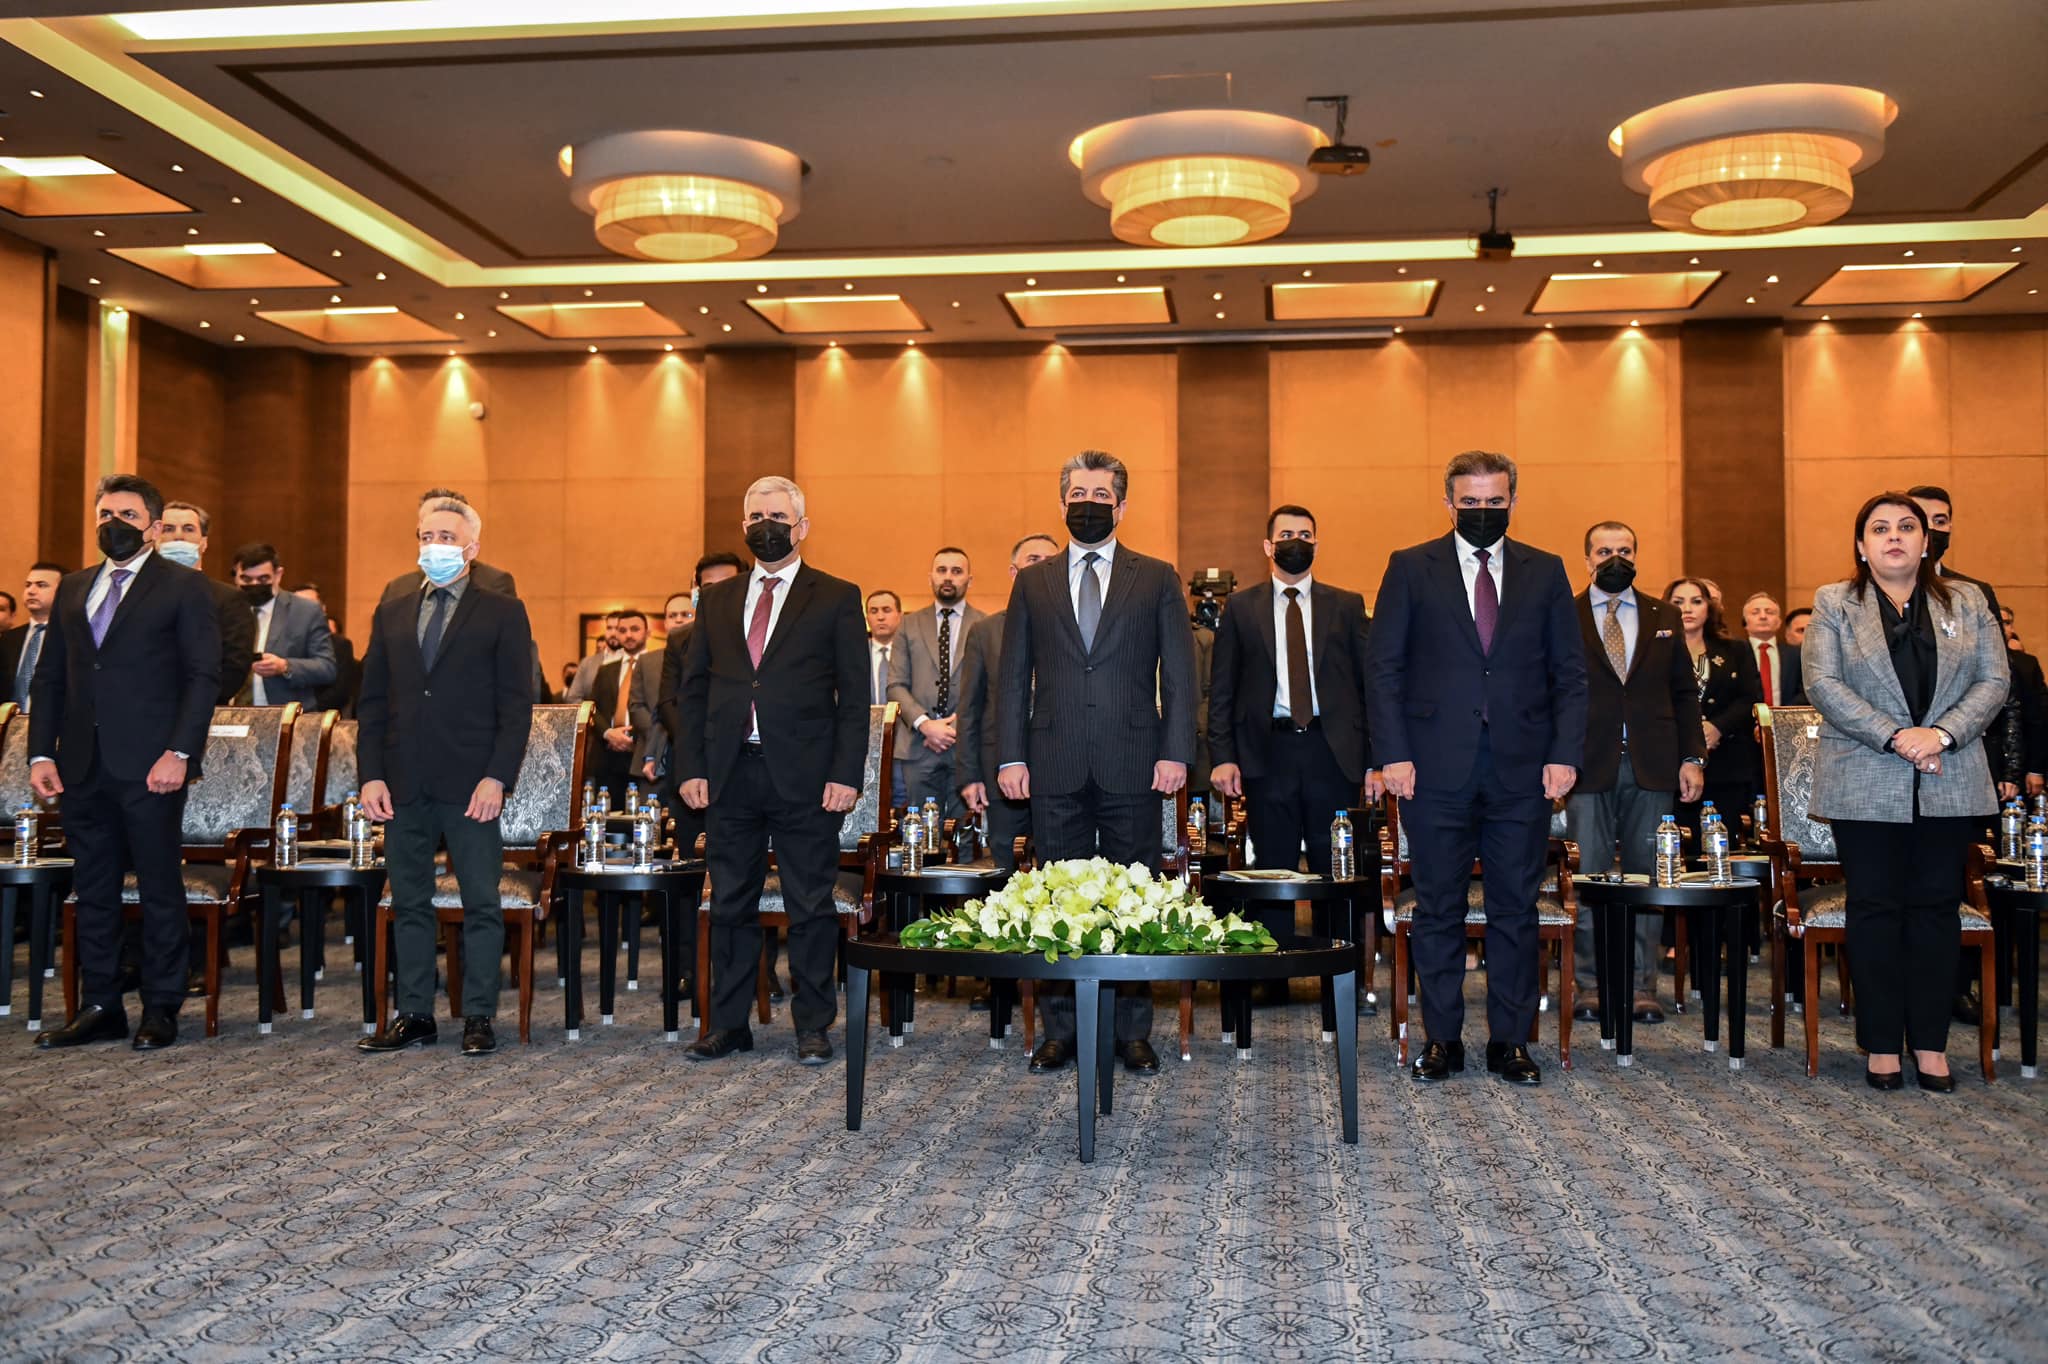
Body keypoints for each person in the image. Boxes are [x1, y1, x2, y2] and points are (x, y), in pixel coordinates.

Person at [1368, 450, 1587, 1088]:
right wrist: (1393, 755)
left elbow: (1570, 675)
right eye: (1471, 502)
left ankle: (1511, 1042)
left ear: (1513, 501)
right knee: (1437, 907)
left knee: (1515, 908)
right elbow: (1384, 670)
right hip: (1431, 769)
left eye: (1495, 502)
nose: (1483, 512)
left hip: (1524, 770)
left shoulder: (1545, 571)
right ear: (1449, 501)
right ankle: (1441, 1041)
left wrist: (1564, 753)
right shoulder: (1410, 567)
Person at [997, 450, 1197, 1077]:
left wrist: (1176, 753)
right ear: (1062, 504)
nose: (1088, 503)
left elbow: (1182, 675)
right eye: (1077, 493)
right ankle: (1062, 1031)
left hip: (1136, 760)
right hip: (1052, 760)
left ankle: (1131, 1031)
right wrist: (1009, 755)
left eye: (1100, 495)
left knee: (1133, 895)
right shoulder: (1033, 581)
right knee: (1057, 894)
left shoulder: (1158, 576)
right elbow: (1012, 678)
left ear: (1122, 505)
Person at [1804, 492, 2007, 1093]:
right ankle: (1882, 1044)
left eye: (1907, 527)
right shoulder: (1834, 602)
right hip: (1865, 777)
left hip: (1950, 774)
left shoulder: (1968, 601)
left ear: (1926, 542)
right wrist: (1896, 736)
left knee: (1934, 911)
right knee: (1875, 911)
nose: (1895, 537)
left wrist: (1940, 734)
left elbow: (1995, 679)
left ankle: (1931, 1043)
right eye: (1880, 528)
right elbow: (1821, 682)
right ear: (1861, 546)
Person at [678, 476, 867, 1066]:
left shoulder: (836, 595)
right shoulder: (717, 599)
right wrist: (691, 767)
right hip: (730, 775)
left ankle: (812, 1025)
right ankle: (729, 1024)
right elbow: (694, 693)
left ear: (801, 526)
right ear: (743, 525)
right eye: (756, 514)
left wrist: (846, 774)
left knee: (810, 906)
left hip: (807, 778)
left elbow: (855, 698)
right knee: (729, 904)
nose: (767, 524)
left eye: (778, 515)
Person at [29, 475, 221, 1052]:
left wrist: (180, 752)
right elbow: (50, 677)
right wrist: (41, 751)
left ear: (154, 527)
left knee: (160, 886)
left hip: (153, 764)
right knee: (93, 889)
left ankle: (161, 1005)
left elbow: (202, 676)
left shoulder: (185, 587)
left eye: (129, 514)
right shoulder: (74, 588)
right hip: (82, 764)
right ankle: (101, 1004)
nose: (115, 522)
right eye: (106, 512)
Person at [356, 495, 535, 1058]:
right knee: (409, 903)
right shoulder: (392, 609)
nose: (434, 545)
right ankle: (414, 1014)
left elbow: (516, 706)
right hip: (403, 782)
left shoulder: (502, 610)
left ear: (472, 548)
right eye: (426, 535)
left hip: (472, 785)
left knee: (481, 903)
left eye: (446, 537)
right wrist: (370, 777)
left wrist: (497, 778)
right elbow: (374, 702)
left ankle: (478, 1015)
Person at [1206, 504, 1378, 1010]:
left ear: (1317, 545)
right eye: (1286, 534)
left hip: (1333, 753)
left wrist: (1375, 761)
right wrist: (1222, 756)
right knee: (1274, 866)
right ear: (1268, 545)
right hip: (1267, 753)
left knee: (1334, 869)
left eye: (1305, 534)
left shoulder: (1347, 605)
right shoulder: (1241, 608)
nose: (1295, 541)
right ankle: (1273, 971)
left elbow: (1369, 689)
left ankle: (1337, 974)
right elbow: (1223, 689)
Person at [1565, 523, 1705, 1027]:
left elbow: (1685, 694)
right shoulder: (1565, 613)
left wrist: (1693, 758)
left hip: (1654, 764)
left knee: (1650, 879)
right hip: (1586, 765)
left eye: (1625, 550)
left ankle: (1644, 986)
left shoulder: (1664, 615)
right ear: (1587, 560)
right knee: (1590, 879)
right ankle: (1591, 984)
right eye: (1604, 551)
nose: (1615, 558)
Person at [956, 534, 1059, 876]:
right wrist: (970, 776)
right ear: (1014, 572)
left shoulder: (1078, 630)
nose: (1043, 565)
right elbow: (969, 709)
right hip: (999, 771)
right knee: (1004, 873)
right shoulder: (985, 631)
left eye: (1051, 559)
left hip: (1061, 770)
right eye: (1034, 559)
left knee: (1061, 871)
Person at [1665, 578, 1765, 853]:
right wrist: (1689, 732)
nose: (1687, 608)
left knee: (1722, 847)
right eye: (1678, 602)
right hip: (1670, 763)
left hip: (1727, 765)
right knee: (1676, 847)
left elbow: (1751, 699)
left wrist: (1717, 727)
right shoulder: (1655, 651)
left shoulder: (1736, 650)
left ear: (1709, 608)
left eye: (1696, 601)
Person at [889, 548, 986, 826]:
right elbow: (895, 685)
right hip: (918, 746)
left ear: (970, 579)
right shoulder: (908, 624)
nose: (948, 577)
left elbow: (991, 686)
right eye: (942, 570)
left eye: (957, 571)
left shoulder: (985, 625)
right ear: (930, 576)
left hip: (966, 747)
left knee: (965, 834)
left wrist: (956, 727)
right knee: (919, 835)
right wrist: (926, 725)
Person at [156, 502, 258, 707]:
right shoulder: (136, 595)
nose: (178, 536)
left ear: (203, 543)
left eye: (188, 529)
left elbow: (233, 668)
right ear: (154, 539)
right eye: (168, 529)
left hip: (200, 715)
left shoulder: (229, 600)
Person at [229, 544, 337, 709]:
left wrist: (284, 666)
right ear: (236, 576)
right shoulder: (225, 609)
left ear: (278, 575)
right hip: (232, 715)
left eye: (263, 579)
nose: (255, 585)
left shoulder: (305, 611)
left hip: (287, 719)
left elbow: (327, 668)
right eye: (247, 579)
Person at [377, 488, 519, 606]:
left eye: (445, 535)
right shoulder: (397, 589)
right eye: (427, 533)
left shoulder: (492, 583)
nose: (435, 542)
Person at [586, 608, 649, 804]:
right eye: (623, 630)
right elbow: (592, 708)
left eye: (635, 629)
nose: (628, 635)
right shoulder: (605, 670)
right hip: (608, 755)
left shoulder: (659, 666)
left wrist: (635, 738)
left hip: (643, 753)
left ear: (647, 633)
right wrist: (608, 733)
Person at [1, 563, 64, 710]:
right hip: (9, 725)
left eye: (41, 585)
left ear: (63, 591)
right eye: (28, 585)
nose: (31, 591)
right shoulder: (8, 639)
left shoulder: (71, 637)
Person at [290, 583, 360, 714]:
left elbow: (340, 691)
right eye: (298, 606)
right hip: (287, 715)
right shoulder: (283, 644)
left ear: (323, 609)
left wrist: (307, 709)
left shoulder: (340, 645)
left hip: (324, 717)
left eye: (310, 604)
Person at [1741, 593, 1806, 707]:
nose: (1763, 616)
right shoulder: (1735, 654)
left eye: (1769, 612)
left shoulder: (1796, 655)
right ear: (1745, 622)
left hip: (1787, 720)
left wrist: (1782, 718)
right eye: (1755, 612)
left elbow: (1804, 691)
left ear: (1779, 622)